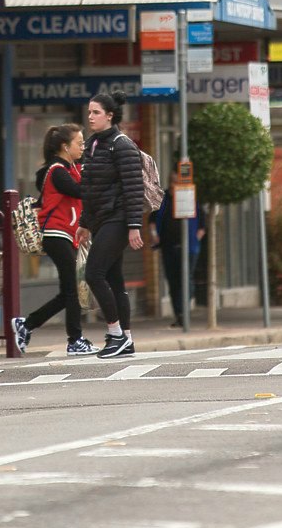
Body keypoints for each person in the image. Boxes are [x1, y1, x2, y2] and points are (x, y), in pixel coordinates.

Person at [10, 123, 95, 356]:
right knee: (74, 289)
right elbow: (79, 191)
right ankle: (75, 340)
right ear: (65, 147)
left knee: (69, 290)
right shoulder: (58, 170)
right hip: (55, 234)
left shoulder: (72, 168)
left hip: (67, 235)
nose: (83, 147)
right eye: (79, 143)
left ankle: (26, 325)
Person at [79, 90, 145, 359]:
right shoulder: (94, 144)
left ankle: (115, 333)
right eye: (89, 112)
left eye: (96, 112)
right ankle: (126, 340)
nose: (90, 117)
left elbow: (133, 188)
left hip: (117, 219)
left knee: (94, 273)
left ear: (110, 115)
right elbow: (90, 189)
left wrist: (133, 225)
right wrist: (85, 223)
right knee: (115, 279)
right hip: (101, 219)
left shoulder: (122, 145)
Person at [154, 199, 205, 327]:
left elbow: (202, 224)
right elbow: (153, 219)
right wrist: (154, 234)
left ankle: (183, 311)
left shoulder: (191, 197)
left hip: (190, 248)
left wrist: (196, 238)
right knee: (173, 281)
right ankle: (179, 314)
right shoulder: (164, 200)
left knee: (187, 280)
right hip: (169, 247)